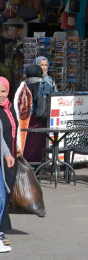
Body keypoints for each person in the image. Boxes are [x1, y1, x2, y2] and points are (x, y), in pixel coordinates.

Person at [20, 65, 52, 163]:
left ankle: (25, 162)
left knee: (26, 140)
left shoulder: (22, 85)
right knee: (39, 141)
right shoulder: (45, 85)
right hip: (40, 118)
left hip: (25, 117)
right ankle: (39, 163)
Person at [0, 78, 17, 248]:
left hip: (10, 157)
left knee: (7, 191)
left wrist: (16, 148)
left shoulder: (9, 107)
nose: (0, 95)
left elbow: (11, 131)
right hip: (2, 158)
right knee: (1, 194)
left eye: (3, 91)